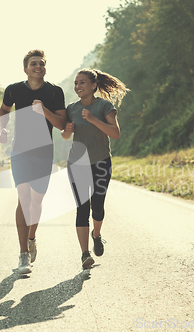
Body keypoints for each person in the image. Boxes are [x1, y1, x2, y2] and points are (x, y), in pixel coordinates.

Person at [0, 50, 67, 274]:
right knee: (24, 198)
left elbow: (61, 124)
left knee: (37, 202)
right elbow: (4, 109)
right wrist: (3, 129)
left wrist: (44, 110)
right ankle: (23, 255)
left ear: (45, 68)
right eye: (33, 63)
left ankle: (31, 237)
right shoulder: (14, 90)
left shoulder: (55, 92)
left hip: (44, 152)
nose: (38, 66)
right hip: (20, 151)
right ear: (26, 69)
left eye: (41, 63)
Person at [61, 68, 129, 269]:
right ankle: (84, 254)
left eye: (82, 82)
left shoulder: (104, 106)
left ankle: (96, 235)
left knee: (97, 206)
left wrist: (92, 119)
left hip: (101, 162)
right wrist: (67, 131)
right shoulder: (71, 109)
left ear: (93, 85)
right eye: (75, 83)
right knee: (82, 208)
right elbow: (65, 135)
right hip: (77, 164)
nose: (78, 86)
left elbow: (115, 133)